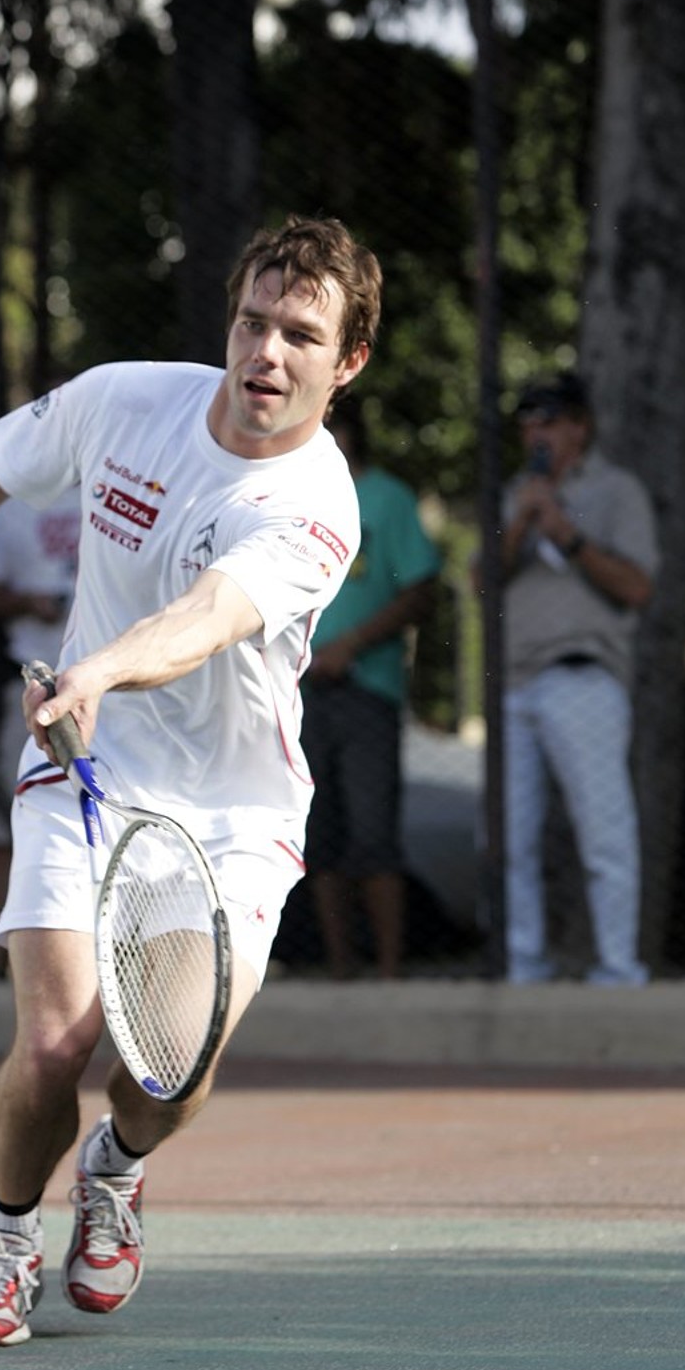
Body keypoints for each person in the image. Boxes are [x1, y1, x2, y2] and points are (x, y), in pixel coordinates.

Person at [0, 215, 382, 1346]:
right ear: (227, 322)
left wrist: (97, 664)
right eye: (251, 321)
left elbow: (203, 620)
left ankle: (116, 1167)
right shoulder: (121, 400)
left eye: (300, 334)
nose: (266, 354)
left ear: (347, 363)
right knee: (54, 1040)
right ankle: (5, 1239)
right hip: (84, 768)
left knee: (168, 1066)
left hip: (232, 814)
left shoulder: (314, 506)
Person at [499, 371, 659, 985]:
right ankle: (522, 965)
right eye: (527, 423)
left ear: (578, 428)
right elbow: (483, 581)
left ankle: (619, 968)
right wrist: (522, 520)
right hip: (512, 684)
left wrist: (566, 533)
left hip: (583, 678)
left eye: (547, 421)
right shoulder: (513, 491)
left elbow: (637, 587)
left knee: (604, 833)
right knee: (511, 840)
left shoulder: (617, 491)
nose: (535, 433)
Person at [300, 403, 441, 978]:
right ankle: (340, 969)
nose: (324, 436)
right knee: (318, 835)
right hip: (298, 691)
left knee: (373, 832)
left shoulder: (388, 499)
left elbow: (421, 591)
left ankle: (388, 971)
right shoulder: (289, 498)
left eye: (333, 424)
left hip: (366, 688)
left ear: (355, 431)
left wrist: (351, 644)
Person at [0, 488, 82, 976]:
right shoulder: (16, 506)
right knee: (10, 825)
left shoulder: (124, 486)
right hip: (35, 684)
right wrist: (27, 603)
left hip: (113, 689)